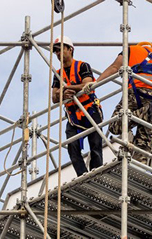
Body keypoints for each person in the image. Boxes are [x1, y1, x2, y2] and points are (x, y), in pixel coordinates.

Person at [51, 36, 103, 176]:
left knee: (96, 144)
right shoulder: (58, 74)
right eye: (55, 51)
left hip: (90, 110)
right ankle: (82, 175)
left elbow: (88, 85)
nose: (57, 53)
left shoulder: (82, 66)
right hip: (73, 115)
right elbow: (54, 98)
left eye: (60, 49)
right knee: (72, 147)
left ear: (70, 49)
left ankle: (96, 174)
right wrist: (63, 94)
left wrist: (69, 88)